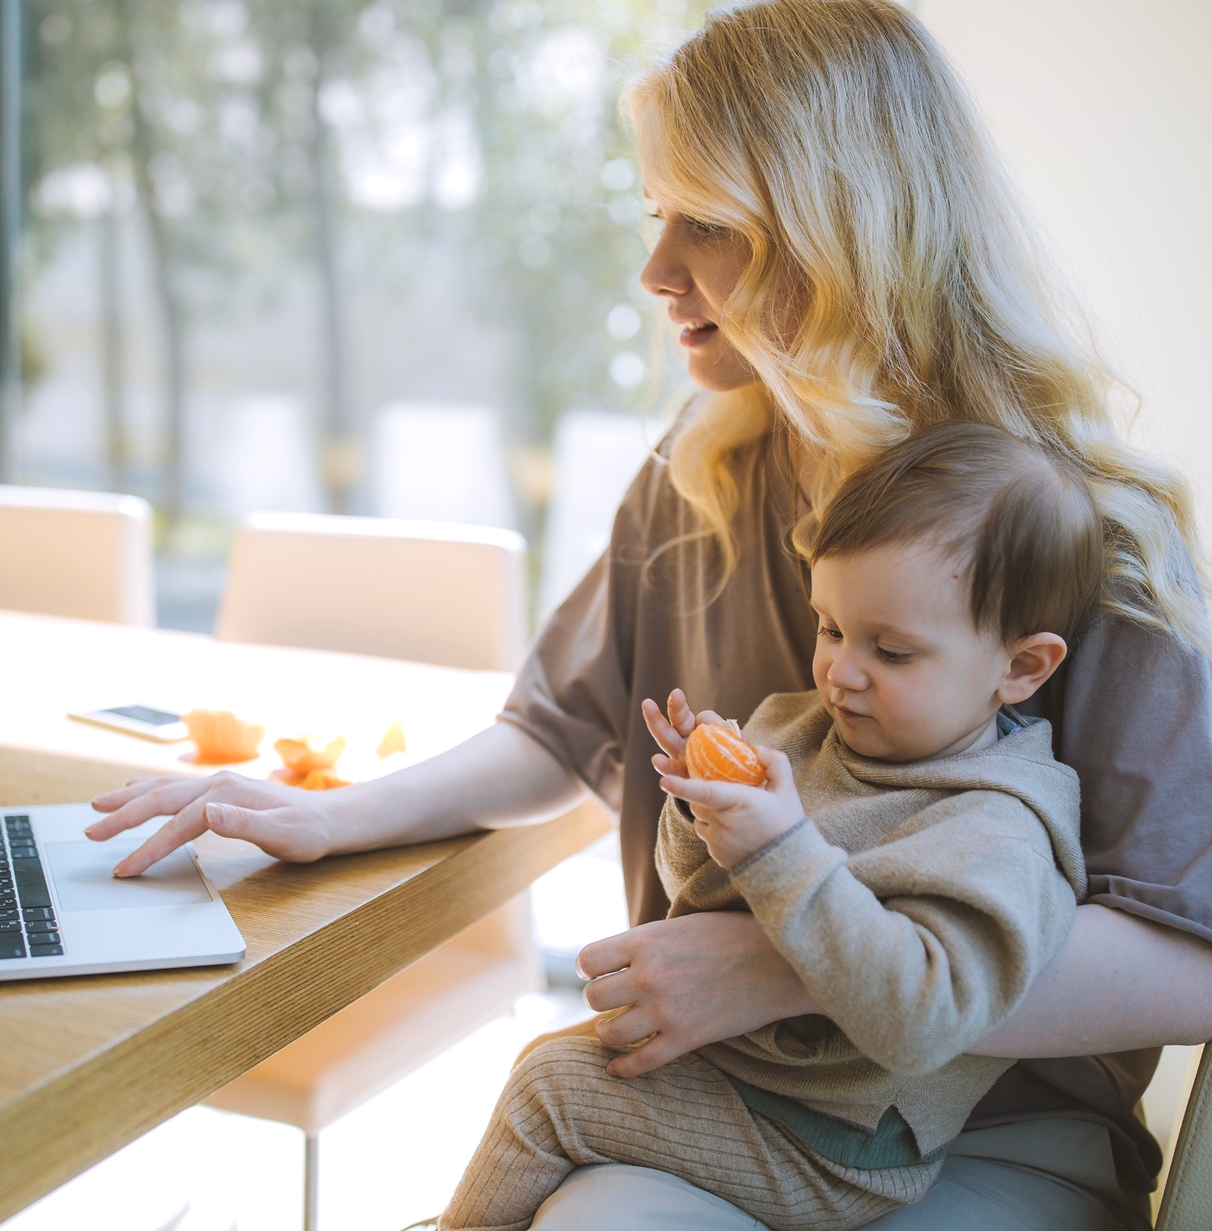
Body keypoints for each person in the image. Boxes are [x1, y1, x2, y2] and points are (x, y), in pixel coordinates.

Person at [88, 0, 1212, 1230]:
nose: (654, 270)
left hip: (991, 1131)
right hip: (738, 1091)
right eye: (656, 216)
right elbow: (558, 729)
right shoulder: (704, 468)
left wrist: (785, 964)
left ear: (840, 231)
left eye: (708, 224)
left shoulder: (1082, 534)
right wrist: (336, 813)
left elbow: (1183, 967)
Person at [439, 422, 1101, 1231]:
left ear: (1022, 667)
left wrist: (782, 851)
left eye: (891, 652)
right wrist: (702, 808)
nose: (840, 673)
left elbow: (925, 1018)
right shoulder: (804, 729)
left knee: (550, 1093)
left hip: (835, 1144)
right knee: (556, 1064)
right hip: (749, 1079)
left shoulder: (999, 825)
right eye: (830, 628)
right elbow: (701, 894)